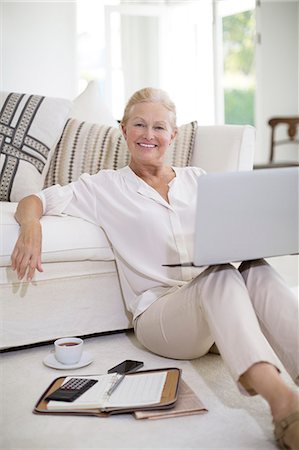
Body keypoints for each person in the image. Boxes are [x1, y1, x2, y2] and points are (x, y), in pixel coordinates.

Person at [11, 87, 298, 449]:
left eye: (159, 127)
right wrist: (31, 225)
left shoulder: (199, 179)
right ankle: (283, 404)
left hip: (218, 311)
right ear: (124, 129)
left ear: (173, 135)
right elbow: (34, 200)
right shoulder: (103, 187)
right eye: (139, 125)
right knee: (221, 275)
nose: (149, 135)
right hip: (162, 315)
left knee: (255, 268)